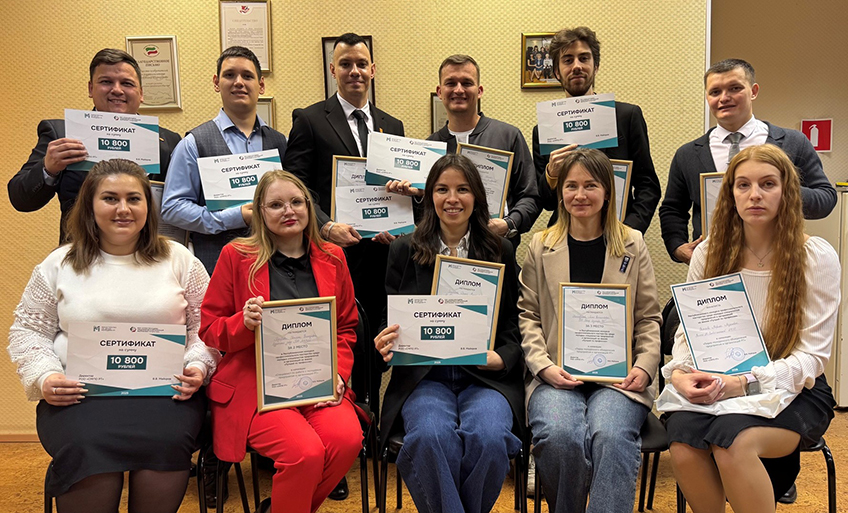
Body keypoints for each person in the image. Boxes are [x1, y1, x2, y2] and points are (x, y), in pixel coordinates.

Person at [7, 159, 220, 513]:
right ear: (90, 205)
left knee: (166, 441)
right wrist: (45, 377)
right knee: (86, 445)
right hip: (78, 395)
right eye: (110, 198)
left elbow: (207, 328)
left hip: (165, 394)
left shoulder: (181, 260)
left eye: (134, 199)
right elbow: (29, 330)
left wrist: (197, 366)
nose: (123, 209)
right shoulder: (59, 264)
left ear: (148, 206)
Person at [658, 145, 839, 512]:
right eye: (743, 185)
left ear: (787, 192)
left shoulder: (816, 256)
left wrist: (742, 383)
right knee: (683, 439)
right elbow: (687, 337)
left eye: (767, 184)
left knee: (733, 443)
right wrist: (679, 375)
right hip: (718, 381)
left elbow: (812, 358)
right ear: (731, 194)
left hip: (794, 387)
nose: (754, 194)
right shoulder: (708, 253)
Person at [199, 170, 362, 513]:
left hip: (317, 382)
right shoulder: (236, 255)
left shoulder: (333, 256)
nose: (288, 211)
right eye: (276, 205)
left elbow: (346, 328)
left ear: (309, 208)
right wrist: (242, 323)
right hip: (257, 389)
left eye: (296, 202)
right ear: (259, 212)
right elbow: (210, 329)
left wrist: (338, 374)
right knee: (305, 453)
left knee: (347, 441)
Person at [374, 154, 525, 513]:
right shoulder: (404, 249)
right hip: (426, 378)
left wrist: (502, 357)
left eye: (463, 189)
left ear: (477, 197)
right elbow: (388, 317)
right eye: (442, 189)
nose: (452, 199)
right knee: (429, 436)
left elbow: (514, 324)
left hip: (484, 379)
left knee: (490, 437)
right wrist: (384, 340)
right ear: (429, 195)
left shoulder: (500, 250)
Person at [518, 149, 661, 512]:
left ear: (607, 191)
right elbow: (528, 316)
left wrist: (644, 367)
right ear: (560, 191)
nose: (580, 195)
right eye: (571, 186)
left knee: (610, 435)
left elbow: (648, 317)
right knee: (559, 435)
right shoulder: (540, 245)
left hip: (619, 378)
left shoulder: (633, 243)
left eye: (590, 185)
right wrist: (542, 366)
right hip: (556, 375)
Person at [284, 33, 404, 459]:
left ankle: (368, 426)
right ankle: (336, 437)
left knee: (376, 345)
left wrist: (397, 220)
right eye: (346, 64)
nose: (355, 71)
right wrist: (326, 226)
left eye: (361, 63)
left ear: (373, 70)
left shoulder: (392, 125)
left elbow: (397, 190)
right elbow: (297, 185)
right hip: (332, 257)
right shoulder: (310, 119)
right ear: (333, 70)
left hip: (382, 257)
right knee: (334, 343)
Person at [659, 59, 837, 265]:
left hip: (779, 260)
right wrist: (677, 247)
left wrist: (780, 190)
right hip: (714, 262)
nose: (724, 98)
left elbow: (826, 199)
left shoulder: (793, 142)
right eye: (715, 92)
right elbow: (672, 209)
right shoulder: (687, 154)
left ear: (753, 91)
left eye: (735, 88)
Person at [8, 49, 181, 243]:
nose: (117, 90)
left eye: (127, 83)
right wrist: (48, 168)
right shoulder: (63, 134)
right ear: (91, 89)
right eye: (106, 82)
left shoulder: (169, 141)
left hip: (148, 253)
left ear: (141, 93)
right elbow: (20, 200)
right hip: (82, 254)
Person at [161, 46, 287, 275]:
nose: (239, 82)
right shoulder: (193, 144)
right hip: (217, 268)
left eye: (247, 76)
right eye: (229, 75)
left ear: (261, 85)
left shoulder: (280, 142)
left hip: (276, 266)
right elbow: (172, 208)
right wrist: (233, 218)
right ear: (216, 83)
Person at [532, 26, 660, 234]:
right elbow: (547, 202)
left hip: (620, 233)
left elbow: (648, 186)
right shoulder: (544, 129)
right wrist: (551, 175)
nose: (576, 66)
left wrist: (629, 232)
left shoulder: (627, 117)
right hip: (565, 236)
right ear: (556, 72)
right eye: (568, 60)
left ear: (596, 66)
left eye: (584, 58)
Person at [416, 54, 540, 253]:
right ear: (440, 92)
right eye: (451, 83)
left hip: (496, 252)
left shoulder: (508, 136)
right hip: (444, 256)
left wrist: (509, 223)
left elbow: (531, 196)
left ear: (479, 91)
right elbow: (427, 211)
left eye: (467, 83)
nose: (458, 90)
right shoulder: (430, 147)